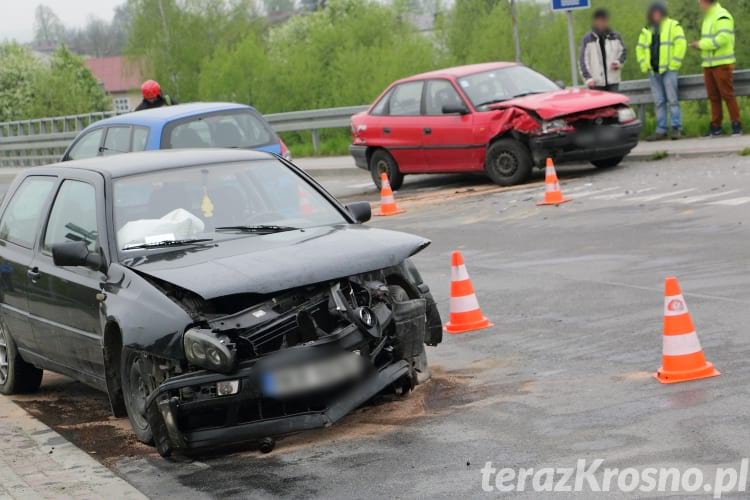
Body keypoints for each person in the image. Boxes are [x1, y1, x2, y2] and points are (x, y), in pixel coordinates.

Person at [689, 0, 742, 136]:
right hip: (709, 64)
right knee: (713, 97)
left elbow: (723, 39)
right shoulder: (709, 17)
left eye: (700, 1)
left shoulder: (722, 15)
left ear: (707, 2)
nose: (699, 4)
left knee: (727, 95)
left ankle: (736, 124)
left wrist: (701, 44)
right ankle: (716, 126)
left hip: (722, 63)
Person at [636, 2, 686, 141]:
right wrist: (644, 65)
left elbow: (681, 44)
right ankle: (661, 130)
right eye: (653, 13)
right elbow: (639, 48)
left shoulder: (673, 25)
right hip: (653, 71)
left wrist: (674, 64)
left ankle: (677, 128)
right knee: (659, 101)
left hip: (669, 70)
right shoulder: (647, 29)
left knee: (672, 100)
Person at [579, 9, 627, 92]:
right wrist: (588, 78)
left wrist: (618, 62)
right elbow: (582, 61)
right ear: (595, 22)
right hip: (596, 83)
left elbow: (623, 52)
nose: (602, 23)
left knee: (614, 104)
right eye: (599, 20)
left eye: (604, 20)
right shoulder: (588, 39)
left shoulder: (615, 36)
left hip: (613, 81)